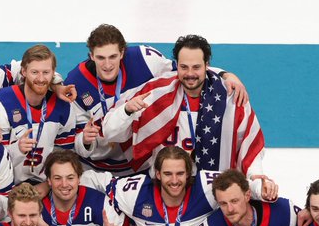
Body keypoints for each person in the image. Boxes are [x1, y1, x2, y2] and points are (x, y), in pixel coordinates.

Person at [65, 24, 247, 176]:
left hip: (139, 164)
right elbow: (76, 142)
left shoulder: (145, 59)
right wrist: (85, 141)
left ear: (122, 52)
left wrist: (225, 74)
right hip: (97, 168)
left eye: (113, 56)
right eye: (100, 58)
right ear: (91, 56)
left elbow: (186, 70)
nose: (107, 64)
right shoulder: (75, 84)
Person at [101, 34, 267, 190]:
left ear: (207, 65)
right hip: (164, 190)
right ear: (176, 65)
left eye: (196, 67)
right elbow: (110, 132)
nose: (190, 74)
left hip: (213, 193)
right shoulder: (155, 91)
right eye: (183, 67)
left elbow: (250, 144)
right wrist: (126, 111)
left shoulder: (230, 97)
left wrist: (257, 181)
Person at [0, 44, 95, 187]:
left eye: (46, 72)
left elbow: (64, 156)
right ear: (24, 72)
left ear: (53, 73)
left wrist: (47, 186)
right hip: (6, 186)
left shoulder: (63, 106)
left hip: (45, 185)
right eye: (35, 72)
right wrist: (17, 149)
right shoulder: (1, 104)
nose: (41, 78)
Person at [111, 146, 218, 226]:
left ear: (188, 173)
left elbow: (240, 187)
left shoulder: (206, 188)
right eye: (168, 174)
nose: (174, 180)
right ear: (158, 174)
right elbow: (99, 183)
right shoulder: (137, 192)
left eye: (180, 173)